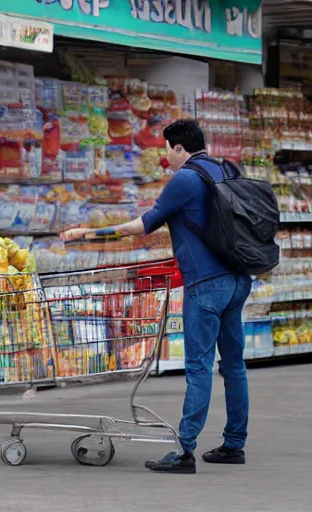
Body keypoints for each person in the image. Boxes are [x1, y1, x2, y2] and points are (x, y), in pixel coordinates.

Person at [62, 119, 252, 474]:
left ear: (179, 148)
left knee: (198, 367)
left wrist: (87, 234)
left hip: (206, 284)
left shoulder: (185, 178)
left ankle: (185, 451)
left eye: (166, 150)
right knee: (233, 366)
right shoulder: (225, 169)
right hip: (238, 278)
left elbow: (140, 225)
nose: (165, 157)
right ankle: (234, 444)